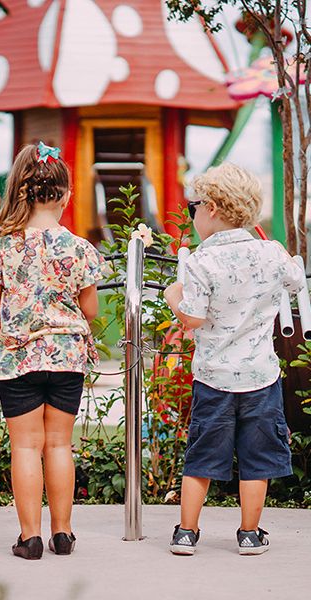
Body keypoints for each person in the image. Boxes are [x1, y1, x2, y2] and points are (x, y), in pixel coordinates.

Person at [164, 163, 306, 556]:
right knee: (258, 458)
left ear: (210, 208)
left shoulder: (198, 262)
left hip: (214, 378)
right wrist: (285, 258)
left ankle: (187, 532)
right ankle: (248, 533)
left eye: (193, 206)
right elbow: (295, 279)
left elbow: (192, 317)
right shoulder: (270, 254)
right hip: (261, 377)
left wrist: (172, 295)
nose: (192, 213)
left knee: (202, 456)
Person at [0, 142, 106, 559]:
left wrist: (1, 331)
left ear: (19, 191)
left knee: (26, 447)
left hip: (18, 356)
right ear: (66, 195)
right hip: (67, 356)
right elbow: (91, 309)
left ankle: (30, 538)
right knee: (59, 446)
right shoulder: (81, 249)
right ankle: (63, 533)